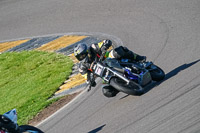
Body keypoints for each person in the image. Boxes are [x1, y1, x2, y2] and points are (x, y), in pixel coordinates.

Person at [74, 40, 146, 97]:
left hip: (108, 59)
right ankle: (122, 86)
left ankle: (138, 58)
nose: (82, 58)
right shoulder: (82, 67)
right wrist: (90, 82)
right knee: (106, 91)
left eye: (82, 55)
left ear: (86, 51)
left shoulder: (93, 47)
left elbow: (106, 41)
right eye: (79, 57)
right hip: (105, 75)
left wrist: (104, 46)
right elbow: (87, 78)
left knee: (119, 51)